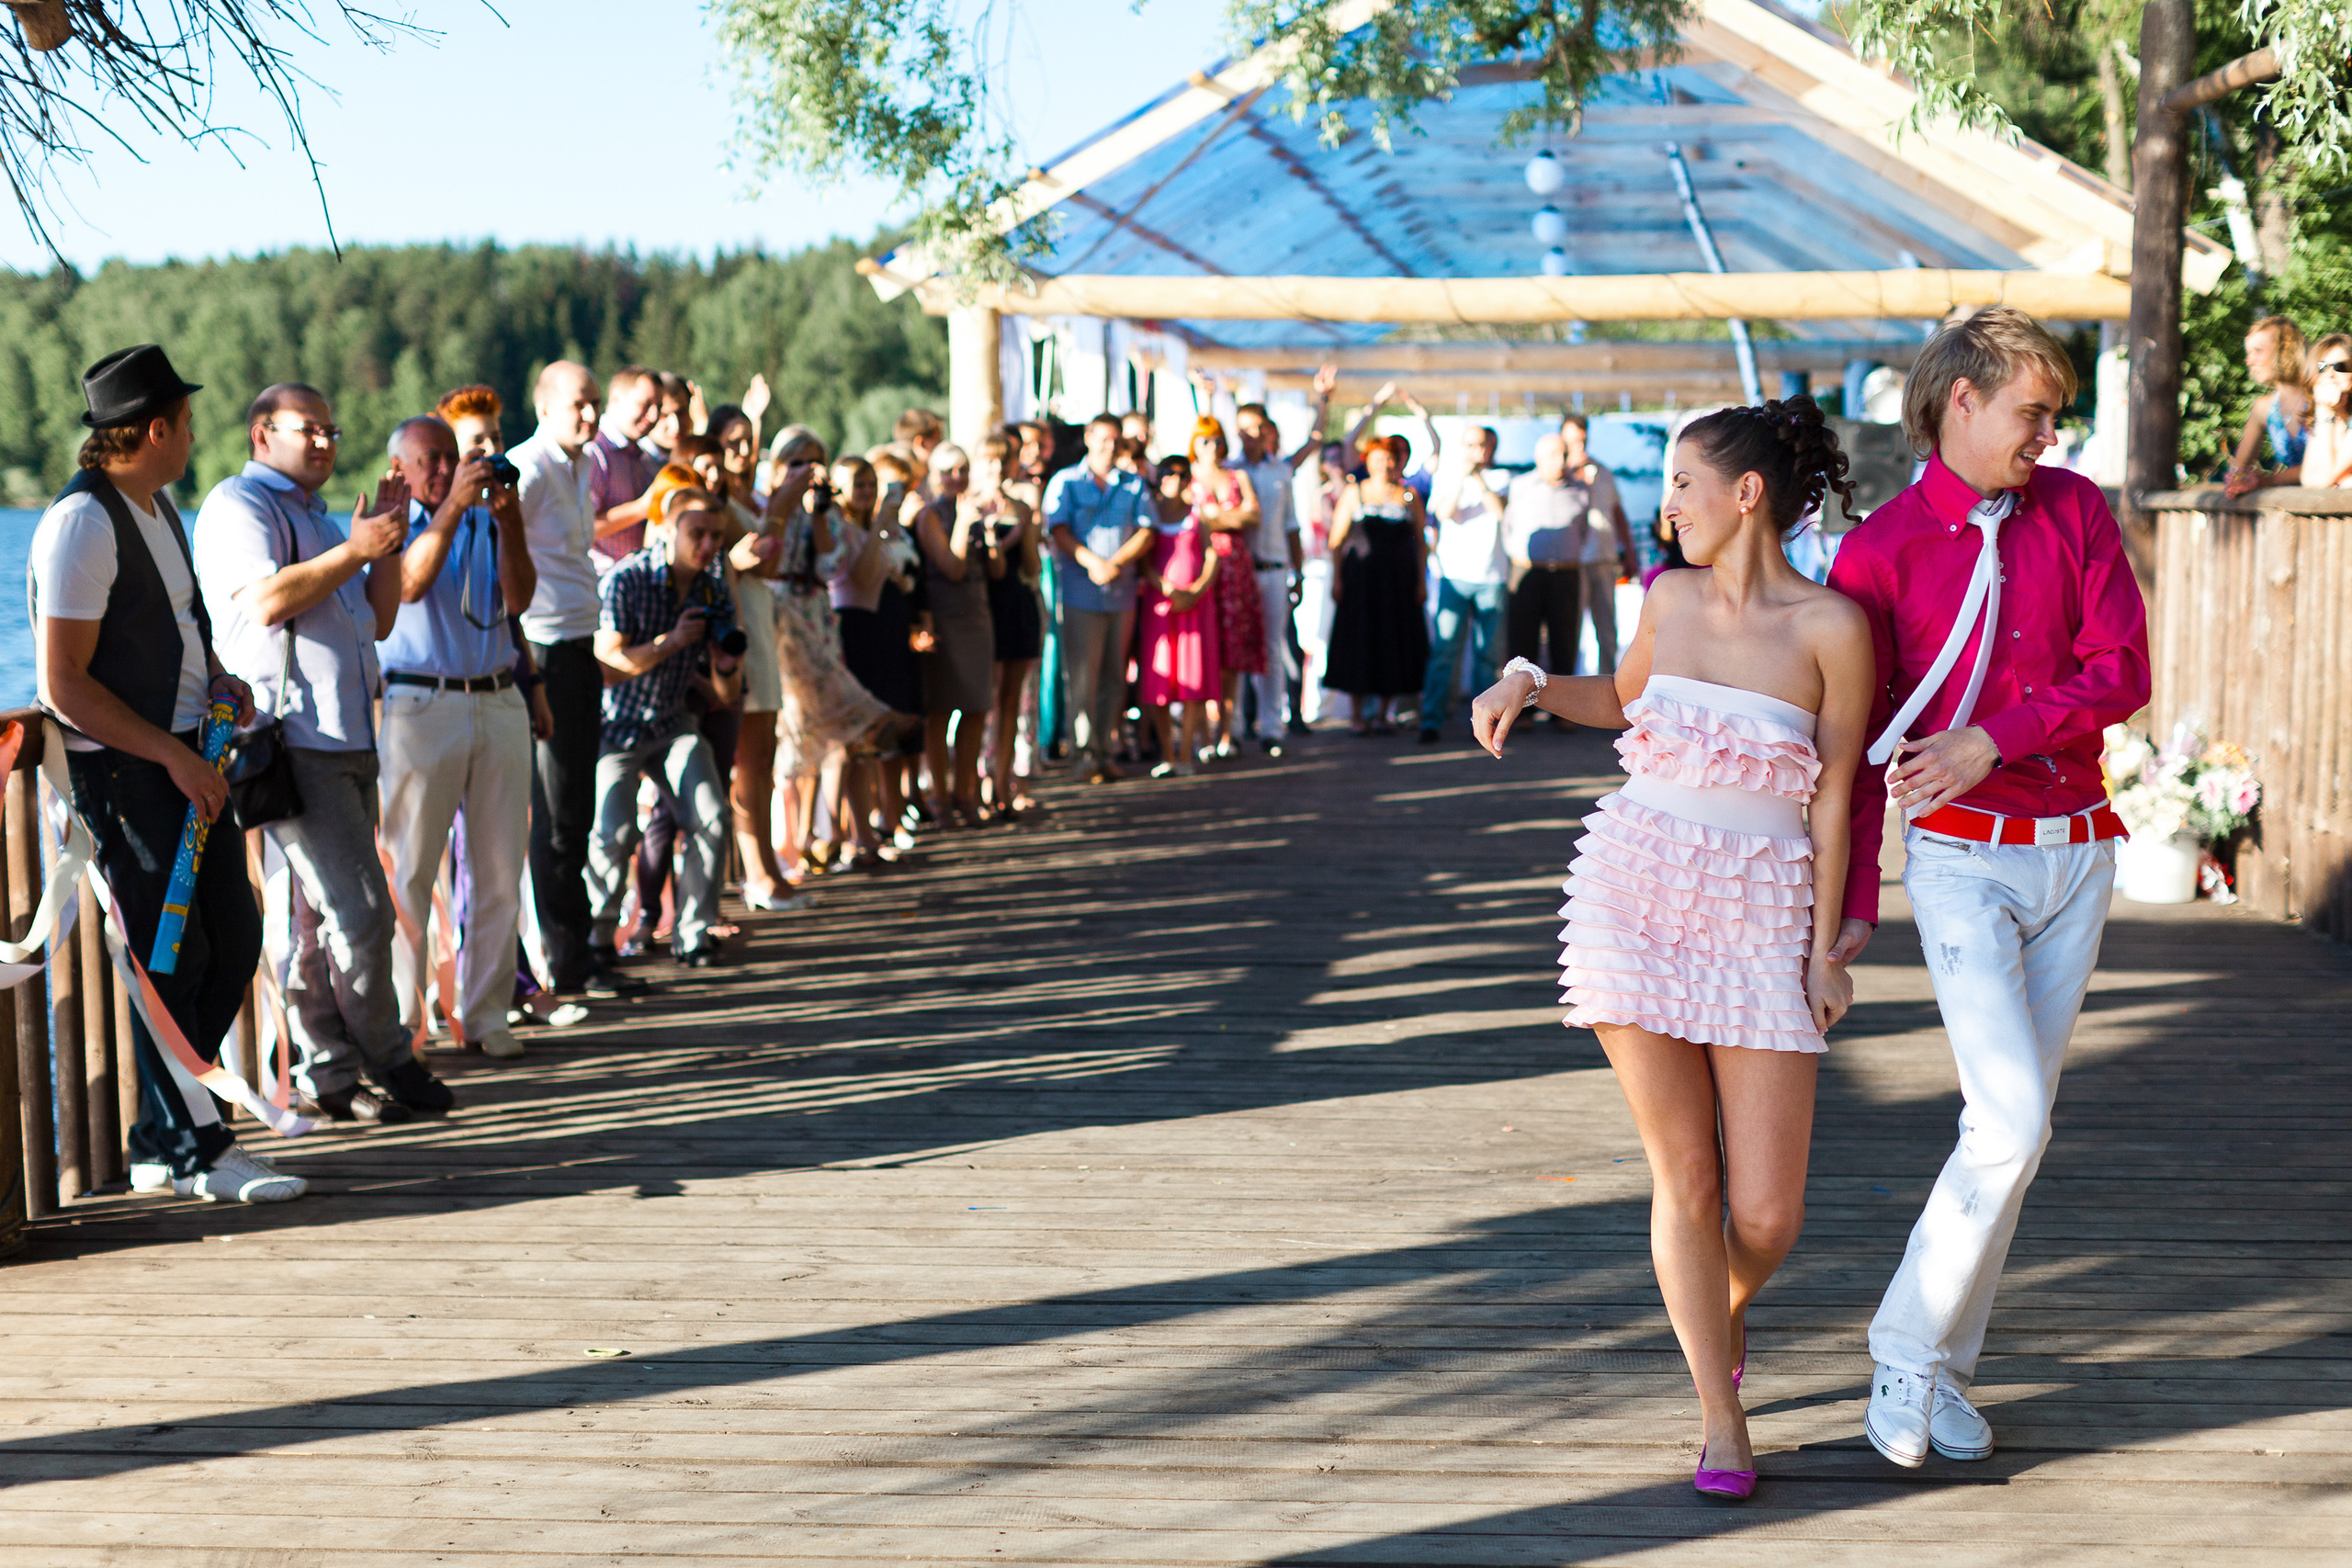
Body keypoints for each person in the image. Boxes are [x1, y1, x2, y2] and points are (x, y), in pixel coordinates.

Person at [1470, 396, 1871, 1501]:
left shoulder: (1833, 628)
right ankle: (1719, 1411)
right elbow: (1622, 696)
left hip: (1762, 911)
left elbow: (1835, 798)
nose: (1669, 509)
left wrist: (1824, 951)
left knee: (1766, 1213)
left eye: (1683, 487)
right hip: (1633, 889)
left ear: (1747, 495)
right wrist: (1530, 680)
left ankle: (1713, 1310)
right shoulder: (1671, 595)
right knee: (1687, 1178)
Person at [1825, 306, 2149, 1472]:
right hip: (1960, 859)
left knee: (2017, 1132)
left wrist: (1993, 735)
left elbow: (2124, 671)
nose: (2048, 435)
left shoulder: (2072, 509)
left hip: (2079, 850)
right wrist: (1849, 906)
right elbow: (1851, 746)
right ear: (1959, 401)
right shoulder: (1877, 553)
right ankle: (1906, 1355)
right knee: (2007, 1119)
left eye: (2054, 414)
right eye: (2033, 411)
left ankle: (1941, 1370)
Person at [32, 346, 296, 1201]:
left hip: (189, 762)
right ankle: (198, 1151)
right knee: (169, 958)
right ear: (153, 429)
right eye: (186, 422)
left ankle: (162, 1138)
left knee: (234, 941)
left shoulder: (157, 504)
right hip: (132, 776)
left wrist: (217, 680)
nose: (194, 436)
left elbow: (181, 625)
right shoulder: (82, 524)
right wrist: (172, 752)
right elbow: (62, 684)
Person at [193, 383, 436, 1123]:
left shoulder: (316, 513)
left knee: (314, 918)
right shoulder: (240, 504)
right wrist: (354, 548)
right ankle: (388, 1057)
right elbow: (266, 602)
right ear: (263, 433)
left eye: (333, 428)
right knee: (362, 916)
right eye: (311, 429)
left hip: (347, 737)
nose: (328, 441)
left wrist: (382, 545)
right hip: (291, 740)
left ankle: (329, 1073)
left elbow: (382, 616)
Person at [377, 413, 537, 1066]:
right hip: (422, 701)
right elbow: (409, 583)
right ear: (401, 471)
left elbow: (520, 598)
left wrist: (510, 519)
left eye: (453, 457)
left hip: (497, 695)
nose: (446, 469)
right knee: (411, 873)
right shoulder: (391, 524)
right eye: (431, 460)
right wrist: (449, 512)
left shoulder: (485, 517)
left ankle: (488, 1013)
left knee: (500, 871)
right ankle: (406, 1027)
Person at [513, 360, 645, 1001]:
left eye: (594, 404)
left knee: (579, 807)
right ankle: (564, 962)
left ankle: (582, 950)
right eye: (578, 405)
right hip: (541, 651)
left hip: (577, 647)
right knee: (558, 814)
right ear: (545, 408)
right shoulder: (529, 469)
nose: (590, 415)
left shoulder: (580, 466)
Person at [588, 491, 741, 967]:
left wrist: (726, 663)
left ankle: (694, 933)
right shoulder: (627, 579)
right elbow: (608, 665)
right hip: (616, 724)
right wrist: (672, 642)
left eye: (716, 535)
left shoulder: (713, 588)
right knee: (613, 832)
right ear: (667, 530)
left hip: (673, 722)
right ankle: (598, 937)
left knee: (713, 817)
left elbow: (728, 695)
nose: (708, 545)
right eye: (697, 534)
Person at [1046, 413, 1156, 784]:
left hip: (1120, 593)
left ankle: (1106, 750)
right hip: (1081, 592)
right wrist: (1092, 562)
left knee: (1114, 674)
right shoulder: (1066, 481)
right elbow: (1057, 529)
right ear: (1089, 439)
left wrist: (1115, 563)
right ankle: (1083, 754)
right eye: (1103, 440)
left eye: (1115, 441)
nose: (1109, 448)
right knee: (1081, 676)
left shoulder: (1133, 484)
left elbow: (1146, 530)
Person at [1233, 372, 1331, 754]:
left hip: (1273, 570)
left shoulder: (1280, 471)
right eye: (1246, 429)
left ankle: (1271, 726)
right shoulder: (1228, 469)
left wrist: (1298, 572)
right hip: (1239, 572)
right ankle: (1235, 725)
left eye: (1258, 427)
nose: (1253, 435)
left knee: (1272, 648)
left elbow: (1291, 525)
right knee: (1237, 648)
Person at [916, 443, 1001, 823]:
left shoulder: (976, 511)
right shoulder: (929, 516)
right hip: (945, 617)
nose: (956, 477)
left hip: (979, 615)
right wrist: (965, 523)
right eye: (947, 470)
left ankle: (966, 793)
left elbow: (996, 572)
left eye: (962, 469)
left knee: (977, 706)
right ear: (933, 476)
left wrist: (992, 533)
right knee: (941, 710)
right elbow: (951, 567)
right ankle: (940, 796)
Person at [1323, 433, 1430, 734]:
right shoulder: (1354, 493)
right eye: (1378, 458)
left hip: (1397, 584)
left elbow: (1421, 543)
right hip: (1361, 583)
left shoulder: (1409, 496)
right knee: (1360, 641)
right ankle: (1357, 714)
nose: (1385, 464)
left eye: (1390, 458)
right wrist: (1338, 578)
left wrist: (1421, 582)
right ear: (1367, 461)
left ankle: (1384, 713)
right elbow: (1337, 541)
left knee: (1393, 642)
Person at [1419, 424, 1509, 744]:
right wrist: (1461, 476)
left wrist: (1479, 479)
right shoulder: (1447, 477)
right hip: (1455, 577)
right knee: (1444, 651)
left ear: (1491, 447)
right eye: (1470, 444)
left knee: (1488, 655)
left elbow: (1499, 512)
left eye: (1481, 445)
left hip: (1492, 578)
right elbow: (1444, 512)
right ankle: (1431, 720)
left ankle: (1486, 725)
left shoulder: (1501, 478)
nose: (1476, 451)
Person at [1137, 454, 1221, 777]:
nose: (1176, 480)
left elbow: (1211, 553)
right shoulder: (1150, 515)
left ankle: (1185, 754)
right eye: (1168, 474)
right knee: (1159, 679)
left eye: (1182, 474)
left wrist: (1198, 589)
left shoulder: (1197, 516)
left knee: (1193, 682)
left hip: (1194, 607)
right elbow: (1144, 562)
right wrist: (1167, 588)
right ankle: (1168, 755)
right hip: (1161, 606)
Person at [1187, 416, 1264, 760]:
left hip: (1235, 569)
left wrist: (1216, 515)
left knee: (1232, 653)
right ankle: (1202, 731)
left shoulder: (1237, 476)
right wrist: (1229, 515)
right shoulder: (1186, 477)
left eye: (1217, 440)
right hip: (1202, 567)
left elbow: (1253, 516)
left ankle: (1227, 732)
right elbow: (1194, 518)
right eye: (1204, 441)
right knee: (1203, 650)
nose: (1211, 447)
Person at [975, 432, 1043, 815]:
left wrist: (1025, 526)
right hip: (983, 609)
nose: (998, 467)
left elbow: (1032, 567)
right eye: (990, 459)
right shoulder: (968, 506)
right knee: (985, 701)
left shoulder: (1022, 505)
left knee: (1013, 700)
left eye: (1005, 459)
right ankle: (981, 782)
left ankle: (1005, 781)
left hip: (1018, 604)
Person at [1502, 433, 1596, 691]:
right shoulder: (1520, 486)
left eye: (1564, 454)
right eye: (1553, 455)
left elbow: (1583, 529)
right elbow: (1507, 526)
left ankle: (1563, 712)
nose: (1561, 460)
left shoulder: (1581, 489)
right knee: (1522, 641)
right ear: (1538, 458)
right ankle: (1522, 709)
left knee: (1564, 641)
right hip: (1527, 571)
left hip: (1566, 573)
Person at [1562, 412, 1639, 675]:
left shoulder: (1603, 472)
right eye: (1572, 440)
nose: (1578, 446)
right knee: (1568, 631)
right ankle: (1566, 691)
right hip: (1572, 562)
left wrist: (1630, 552)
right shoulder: (1559, 475)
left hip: (1604, 559)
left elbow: (1619, 515)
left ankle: (1608, 685)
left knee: (1607, 630)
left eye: (1581, 439)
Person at [2223, 314, 2312, 495]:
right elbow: (2239, 469)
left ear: (2285, 349)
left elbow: (2323, 463)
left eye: (2257, 351)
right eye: (2248, 353)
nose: (2249, 361)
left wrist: (2268, 481)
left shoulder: (2323, 395)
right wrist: (2238, 481)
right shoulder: (2264, 408)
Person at [587, 366, 663, 570]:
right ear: (616, 398)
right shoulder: (595, 451)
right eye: (646, 404)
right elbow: (583, 527)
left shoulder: (641, 456)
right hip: (603, 581)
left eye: (659, 407)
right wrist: (642, 508)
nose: (654, 415)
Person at [2297, 333, 2352, 489]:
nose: (2329, 374)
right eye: (2321, 367)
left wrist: (2324, 412)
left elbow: (2322, 480)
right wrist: (2323, 411)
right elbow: (2309, 479)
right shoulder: (2327, 418)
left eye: (2340, 367)